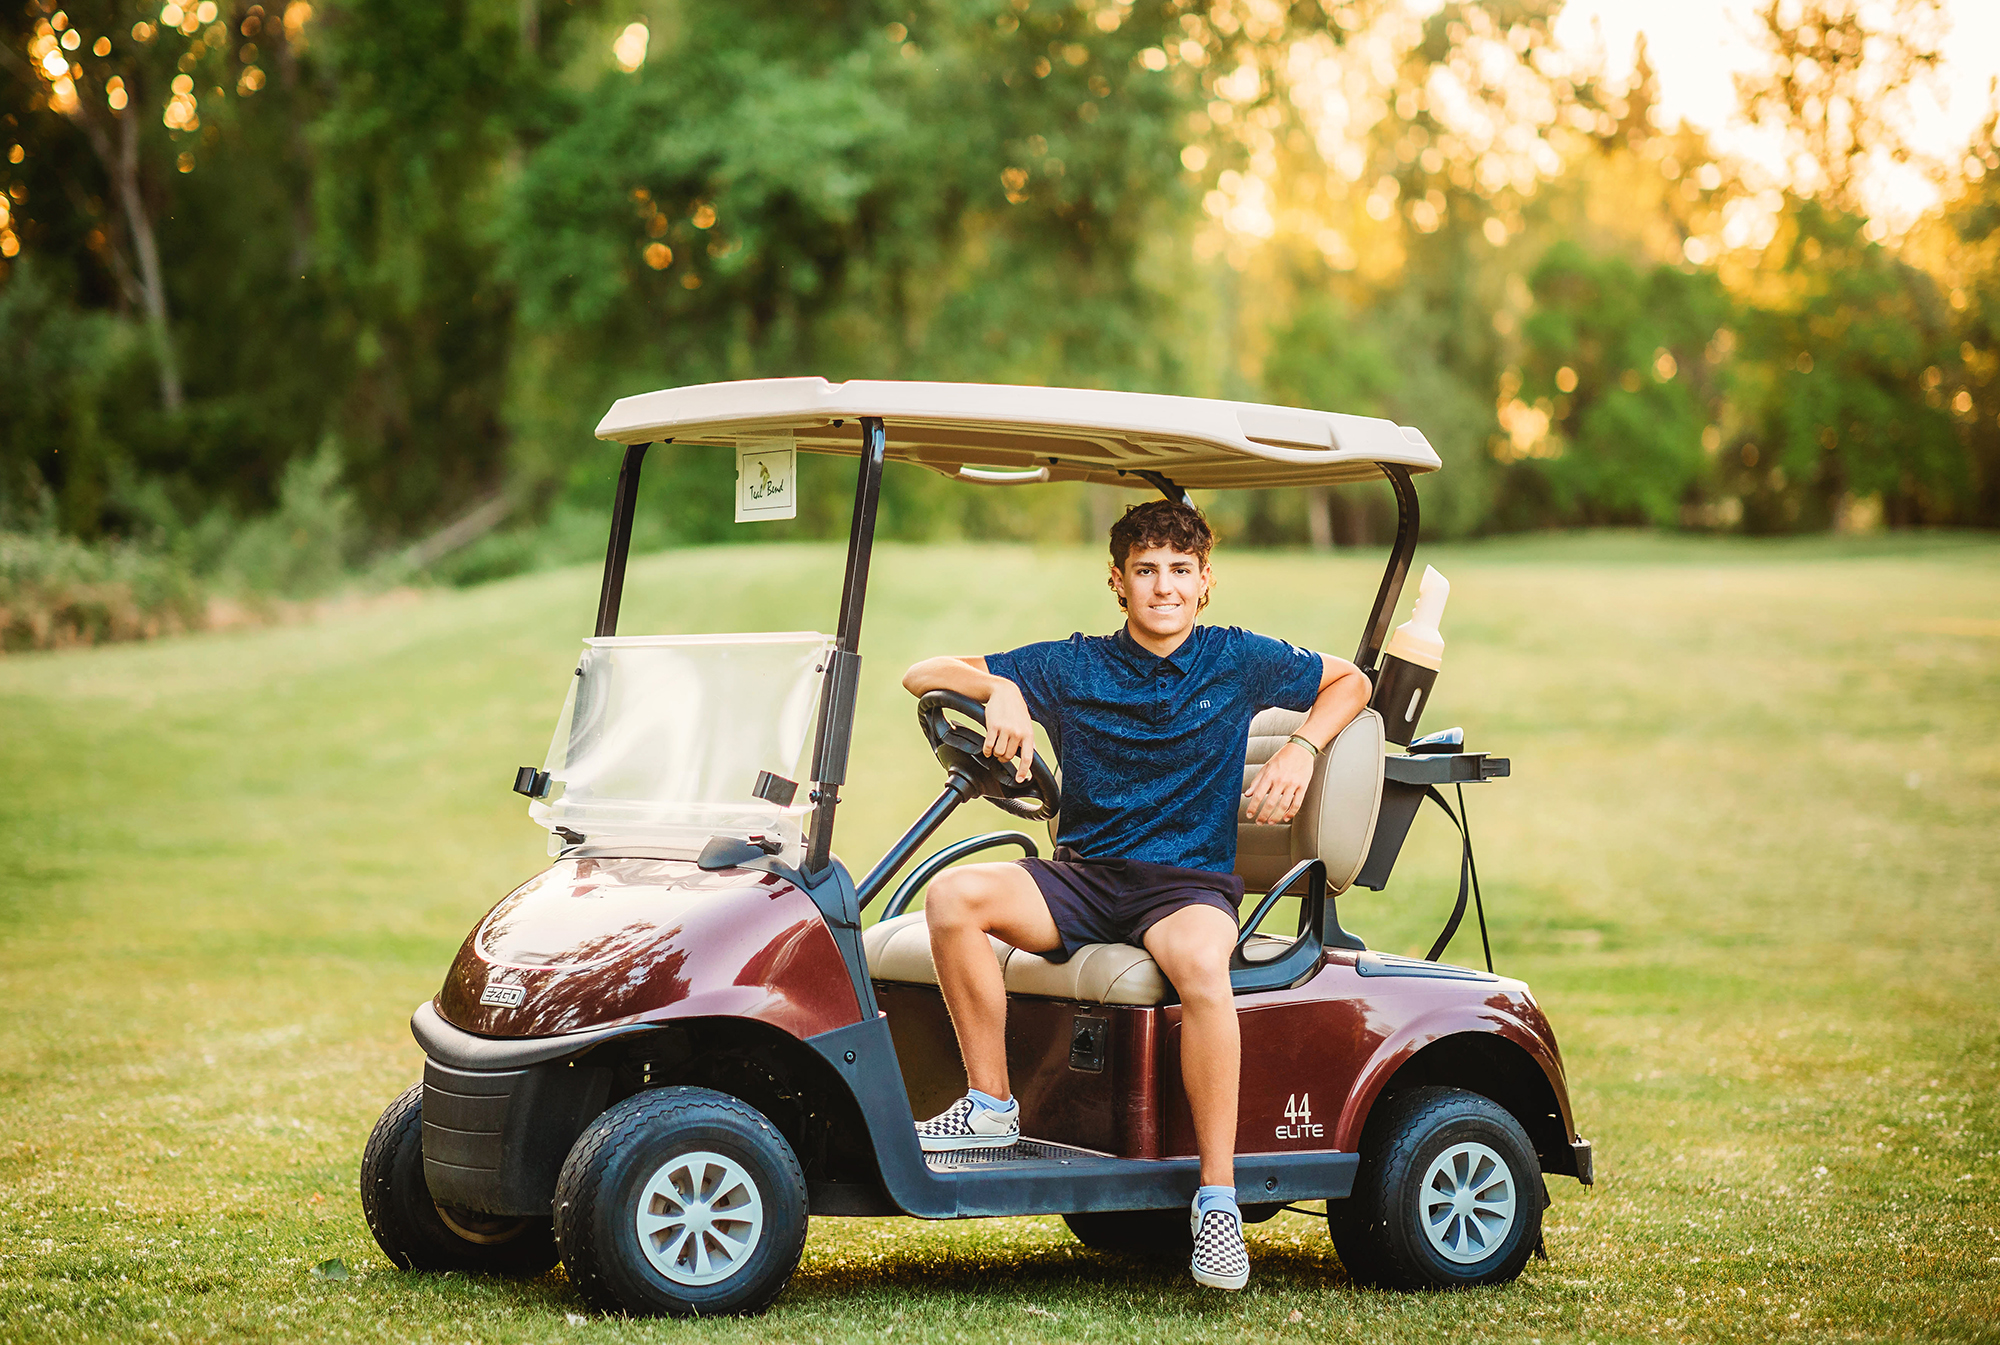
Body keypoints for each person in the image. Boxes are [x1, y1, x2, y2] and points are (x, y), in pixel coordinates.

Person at [898, 499, 1371, 1291]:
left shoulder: (1238, 658)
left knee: (1200, 967)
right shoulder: (1073, 664)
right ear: (1118, 583)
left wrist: (1300, 746)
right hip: (1084, 877)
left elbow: (1350, 681)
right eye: (1146, 571)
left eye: (1180, 572)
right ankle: (990, 1106)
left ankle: (1216, 1202)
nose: (1164, 588)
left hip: (1184, 883)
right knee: (953, 898)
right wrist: (999, 691)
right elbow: (922, 673)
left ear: (1205, 582)